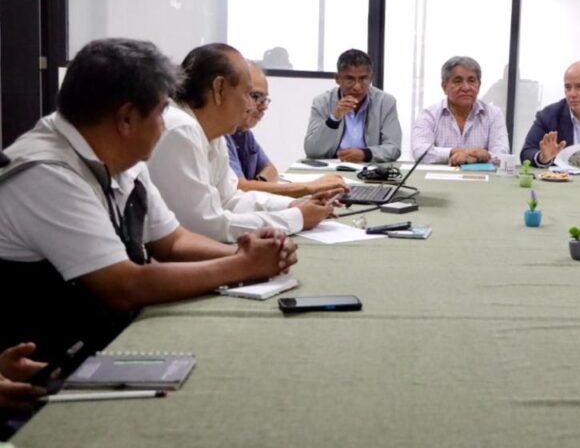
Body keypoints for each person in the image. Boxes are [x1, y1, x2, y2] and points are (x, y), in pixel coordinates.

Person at [0, 39, 298, 360]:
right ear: (127, 118)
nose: (164, 124)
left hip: (100, 341)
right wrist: (241, 265)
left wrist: (244, 253)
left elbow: (172, 242)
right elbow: (124, 286)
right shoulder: (47, 172)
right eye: (161, 112)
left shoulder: (122, 157)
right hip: (50, 366)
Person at [148, 44, 343, 242]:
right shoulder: (181, 128)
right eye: (249, 94)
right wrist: (297, 217)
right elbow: (206, 226)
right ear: (219, 88)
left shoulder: (213, 132)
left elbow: (231, 199)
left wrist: (294, 205)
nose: (251, 106)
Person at [228, 62, 347, 198]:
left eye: (264, 99)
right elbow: (239, 187)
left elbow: (271, 170)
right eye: (255, 96)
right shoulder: (221, 135)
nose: (264, 106)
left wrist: (259, 186)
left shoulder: (244, 133)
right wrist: (309, 187)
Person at [304, 49, 402, 162]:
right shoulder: (322, 102)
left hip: (370, 167)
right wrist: (334, 119)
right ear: (337, 78)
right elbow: (312, 151)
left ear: (371, 78)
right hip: (332, 167)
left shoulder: (385, 102)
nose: (357, 87)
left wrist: (365, 154)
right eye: (350, 79)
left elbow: (394, 148)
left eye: (363, 79)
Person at [413, 56, 510, 166]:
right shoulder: (429, 115)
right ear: (444, 86)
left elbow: (502, 154)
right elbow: (419, 151)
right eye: (458, 81)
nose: (466, 87)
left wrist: (474, 158)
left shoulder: (493, 114)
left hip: (482, 176)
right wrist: (454, 152)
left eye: (471, 81)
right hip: (440, 176)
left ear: (479, 85)